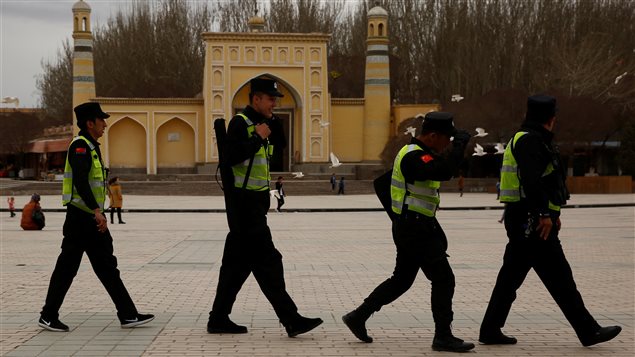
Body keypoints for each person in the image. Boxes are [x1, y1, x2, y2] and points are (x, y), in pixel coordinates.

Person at [479, 95, 621, 346]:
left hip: (526, 217)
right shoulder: (530, 141)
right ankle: (588, 330)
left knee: (513, 277)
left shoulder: (530, 139)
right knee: (559, 277)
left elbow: (545, 182)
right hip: (530, 218)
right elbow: (532, 181)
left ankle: (490, 329)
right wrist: (544, 214)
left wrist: (552, 214)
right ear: (551, 118)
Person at [342, 112, 475, 352]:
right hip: (415, 228)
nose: (447, 144)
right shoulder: (414, 156)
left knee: (401, 280)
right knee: (444, 278)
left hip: (413, 226)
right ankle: (443, 335)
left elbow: (388, 183)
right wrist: (460, 146)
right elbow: (443, 171)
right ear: (433, 136)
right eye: (447, 139)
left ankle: (358, 316)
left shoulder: (418, 153)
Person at [208, 77, 323, 337]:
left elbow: (280, 145)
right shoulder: (240, 123)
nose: (274, 103)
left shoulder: (265, 123)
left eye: (276, 99)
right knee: (269, 262)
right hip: (243, 205)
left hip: (255, 204)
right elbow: (229, 159)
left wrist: (271, 122)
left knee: (235, 267)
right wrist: (257, 138)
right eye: (270, 99)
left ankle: (218, 318)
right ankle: (291, 319)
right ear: (256, 99)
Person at [39, 102, 154, 332]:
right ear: (90, 123)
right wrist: (96, 210)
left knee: (105, 266)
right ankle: (48, 315)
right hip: (81, 218)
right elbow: (81, 182)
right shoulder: (80, 146)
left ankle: (128, 314)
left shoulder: (91, 147)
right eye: (101, 120)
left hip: (88, 218)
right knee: (69, 267)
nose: (105, 124)